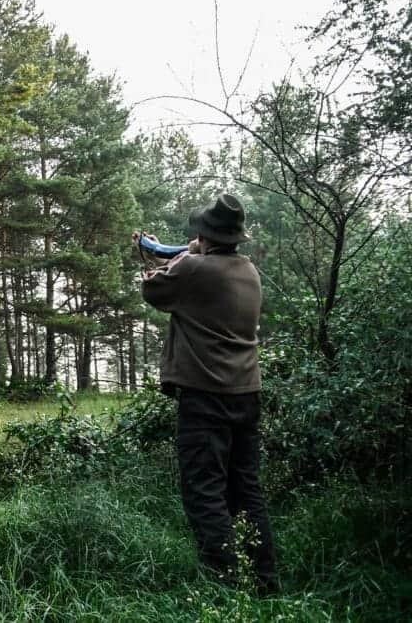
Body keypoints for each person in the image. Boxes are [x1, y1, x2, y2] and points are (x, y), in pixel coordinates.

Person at [134, 193, 279, 592]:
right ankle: (264, 581)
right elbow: (189, 279)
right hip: (247, 394)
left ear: (204, 234)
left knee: (204, 492)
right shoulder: (248, 270)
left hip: (206, 397)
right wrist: (192, 256)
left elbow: (152, 290)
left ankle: (227, 584)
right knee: (246, 491)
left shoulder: (194, 269)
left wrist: (184, 256)